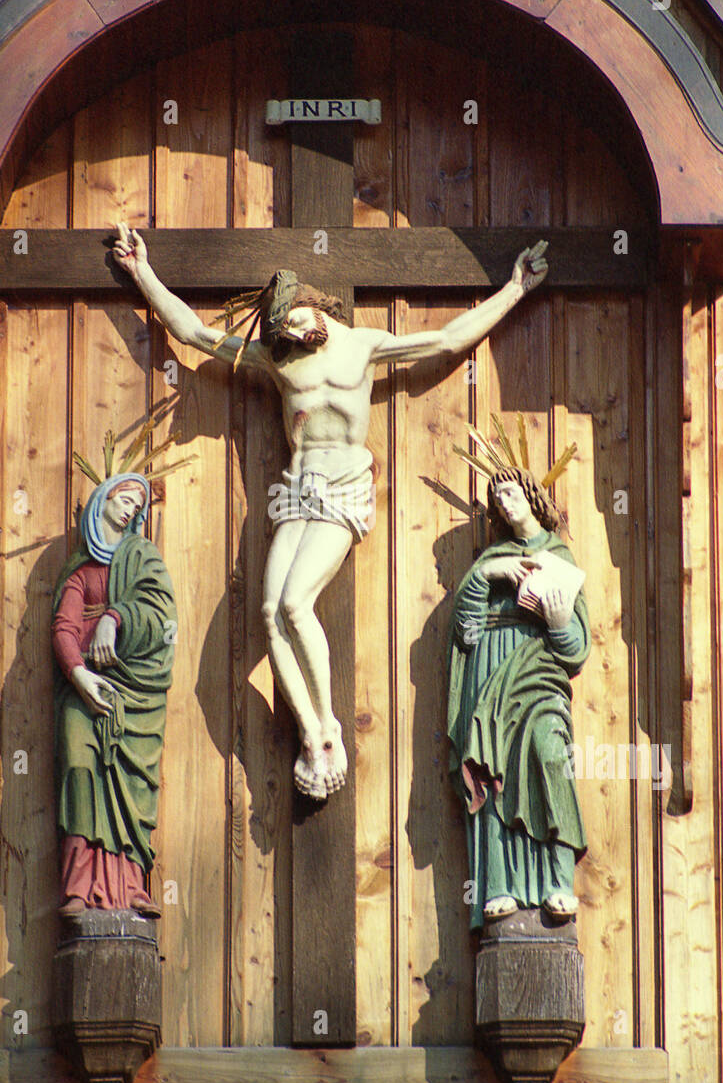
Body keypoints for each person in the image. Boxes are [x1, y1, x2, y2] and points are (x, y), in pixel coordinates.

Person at [111, 222, 548, 800]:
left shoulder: (363, 344)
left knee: (296, 602)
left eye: (295, 322)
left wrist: (515, 288)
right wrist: (142, 271)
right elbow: (192, 332)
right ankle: (313, 734)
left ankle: (331, 725)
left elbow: (445, 340)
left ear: (312, 304)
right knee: (270, 613)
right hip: (296, 490)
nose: (292, 334)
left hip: (342, 489)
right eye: (282, 330)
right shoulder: (276, 357)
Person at [447, 462, 589, 928]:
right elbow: (465, 632)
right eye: (497, 497)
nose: (504, 503)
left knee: (551, 756)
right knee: (492, 773)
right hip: (490, 674)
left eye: (510, 492)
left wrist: (558, 622)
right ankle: (499, 885)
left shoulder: (560, 558)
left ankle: (557, 879)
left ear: (531, 495)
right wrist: (489, 572)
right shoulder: (493, 559)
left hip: (540, 671)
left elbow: (577, 649)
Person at [51, 472, 177, 917]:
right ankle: (79, 886)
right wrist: (79, 675)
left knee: (132, 782)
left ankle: (130, 883)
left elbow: (160, 614)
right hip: (83, 691)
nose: (130, 509)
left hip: (133, 694)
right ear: (102, 498)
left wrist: (115, 617)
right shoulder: (80, 571)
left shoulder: (142, 559)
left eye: (137, 506)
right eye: (125, 498)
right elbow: (64, 629)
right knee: (81, 771)